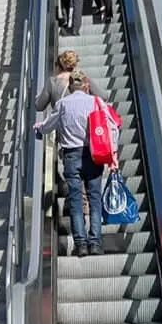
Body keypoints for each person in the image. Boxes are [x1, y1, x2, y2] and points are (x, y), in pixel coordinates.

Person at [34, 70, 119, 257]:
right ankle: (95, 243)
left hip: (71, 156)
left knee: (75, 201)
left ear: (70, 86)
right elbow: (113, 125)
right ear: (86, 85)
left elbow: (49, 125)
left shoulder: (64, 104)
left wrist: (40, 128)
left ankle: (80, 244)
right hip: (94, 154)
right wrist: (113, 156)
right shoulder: (96, 103)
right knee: (94, 199)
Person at [35, 50, 106, 112]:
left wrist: (38, 97)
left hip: (63, 126)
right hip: (85, 124)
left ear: (58, 67)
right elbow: (104, 97)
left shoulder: (52, 82)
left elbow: (39, 106)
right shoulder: (83, 79)